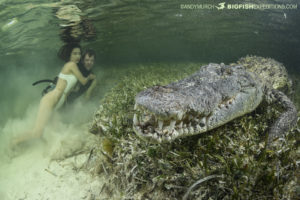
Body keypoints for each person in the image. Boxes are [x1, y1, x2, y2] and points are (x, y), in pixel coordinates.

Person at [12, 43, 95, 147]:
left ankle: (34, 148)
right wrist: (91, 77)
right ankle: (12, 143)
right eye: (75, 53)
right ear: (69, 55)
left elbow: (70, 85)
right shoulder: (71, 65)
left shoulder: (73, 67)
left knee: (54, 131)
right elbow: (83, 81)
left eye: (79, 53)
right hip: (51, 100)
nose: (78, 56)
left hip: (57, 103)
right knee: (37, 133)